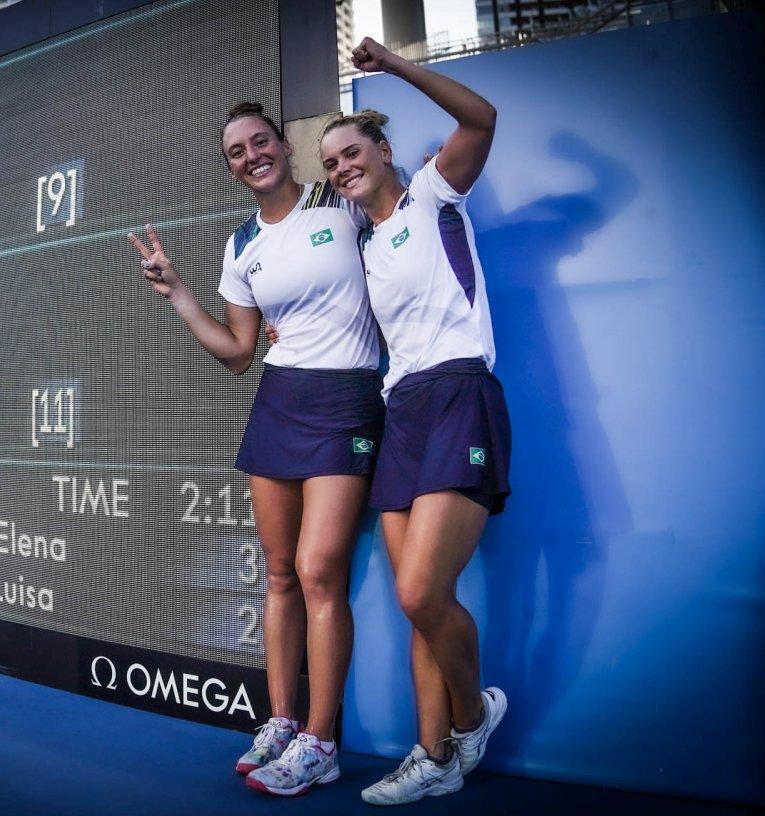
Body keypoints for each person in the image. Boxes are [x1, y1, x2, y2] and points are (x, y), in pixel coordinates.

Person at [127, 102, 384, 797]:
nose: (251, 156)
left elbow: (394, 242)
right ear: (232, 167)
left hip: (345, 402)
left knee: (319, 569)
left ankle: (321, 743)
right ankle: (281, 722)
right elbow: (239, 353)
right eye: (236, 151)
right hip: (278, 402)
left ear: (281, 145)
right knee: (279, 575)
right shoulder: (241, 245)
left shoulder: (340, 201)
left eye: (259, 141)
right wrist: (178, 292)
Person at [317, 38, 512, 806]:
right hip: (402, 412)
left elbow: (483, 117)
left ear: (383, 149)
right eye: (330, 163)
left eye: (350, 151)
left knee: (421, 593)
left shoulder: (434, 193)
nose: (340, 168)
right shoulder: (362, 248)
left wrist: (393, 68)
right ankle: (431, 755)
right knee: (414, 603)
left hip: (460, 392)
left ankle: (472, 718)